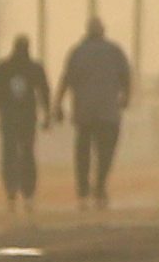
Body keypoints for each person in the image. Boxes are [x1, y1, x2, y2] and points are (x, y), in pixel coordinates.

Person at [55, 18, 130, 208]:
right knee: (106, 151)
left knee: (82, 150)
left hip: (84, 112)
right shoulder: (114, 51)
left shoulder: (77, 52)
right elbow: (126, 77)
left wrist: (57, 104)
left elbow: (66, 79)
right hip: (108, 112)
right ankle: (100, 185)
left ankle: (82, 186)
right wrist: (125, 97)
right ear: (103, 31)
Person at [0, 35, 50, 209]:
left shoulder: (4, 67)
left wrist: (2, 108)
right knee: (27, 152)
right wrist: (46, 114)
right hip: (27, 117)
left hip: (10, 116)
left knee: (9, 151)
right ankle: (27, 190)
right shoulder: (34, 67)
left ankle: (11, 188)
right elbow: (44, 91)